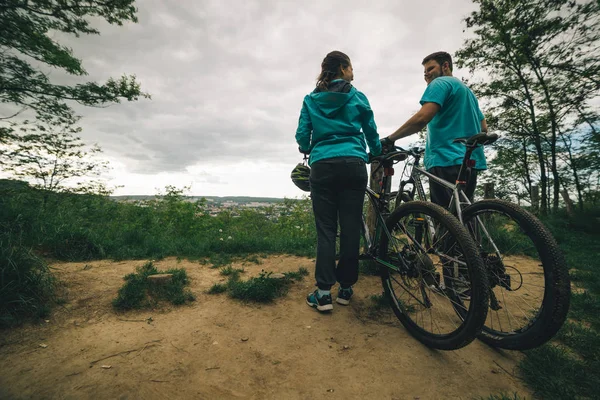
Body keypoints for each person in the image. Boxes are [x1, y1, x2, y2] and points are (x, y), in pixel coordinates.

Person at [295, 50, 382, 312]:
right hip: (354, 165)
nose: (353, 72)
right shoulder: (358, 96)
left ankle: (323, 294)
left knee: (326, 230)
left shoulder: (311, 99)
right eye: (351, 67)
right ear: (343, 69)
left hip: (322, 166)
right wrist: (374, 152)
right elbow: (371, 131)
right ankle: (345, 288)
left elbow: (301, 136)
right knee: (351, 227)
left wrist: (311, 147)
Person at [381, 51, 488, 208]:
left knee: (445, 222)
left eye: (430, 69)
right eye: (424, 72)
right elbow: (483, 127)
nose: (426, 75)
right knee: (464, 219)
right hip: (468, 162)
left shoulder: (440, 84)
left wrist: (390, 138)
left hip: (445, 159)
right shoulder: (467, 92)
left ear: (445, 66)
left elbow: (422, 118)